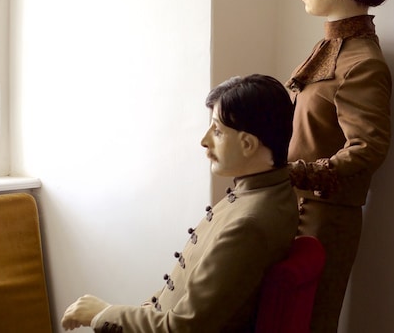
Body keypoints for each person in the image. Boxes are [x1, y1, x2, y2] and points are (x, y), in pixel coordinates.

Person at [61, 74, 298, 332]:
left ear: (247, 144)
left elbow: (183, 328)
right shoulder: (271, 193)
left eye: (217, 130)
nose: (204, 140)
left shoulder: (248, 224)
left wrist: (103, 314)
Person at [286, 0, 394, 333]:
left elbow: (368, 147)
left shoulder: (362, 62)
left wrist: (297, 173)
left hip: (323, 221)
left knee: (310, 324)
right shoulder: (332, 47)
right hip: (293, 211)